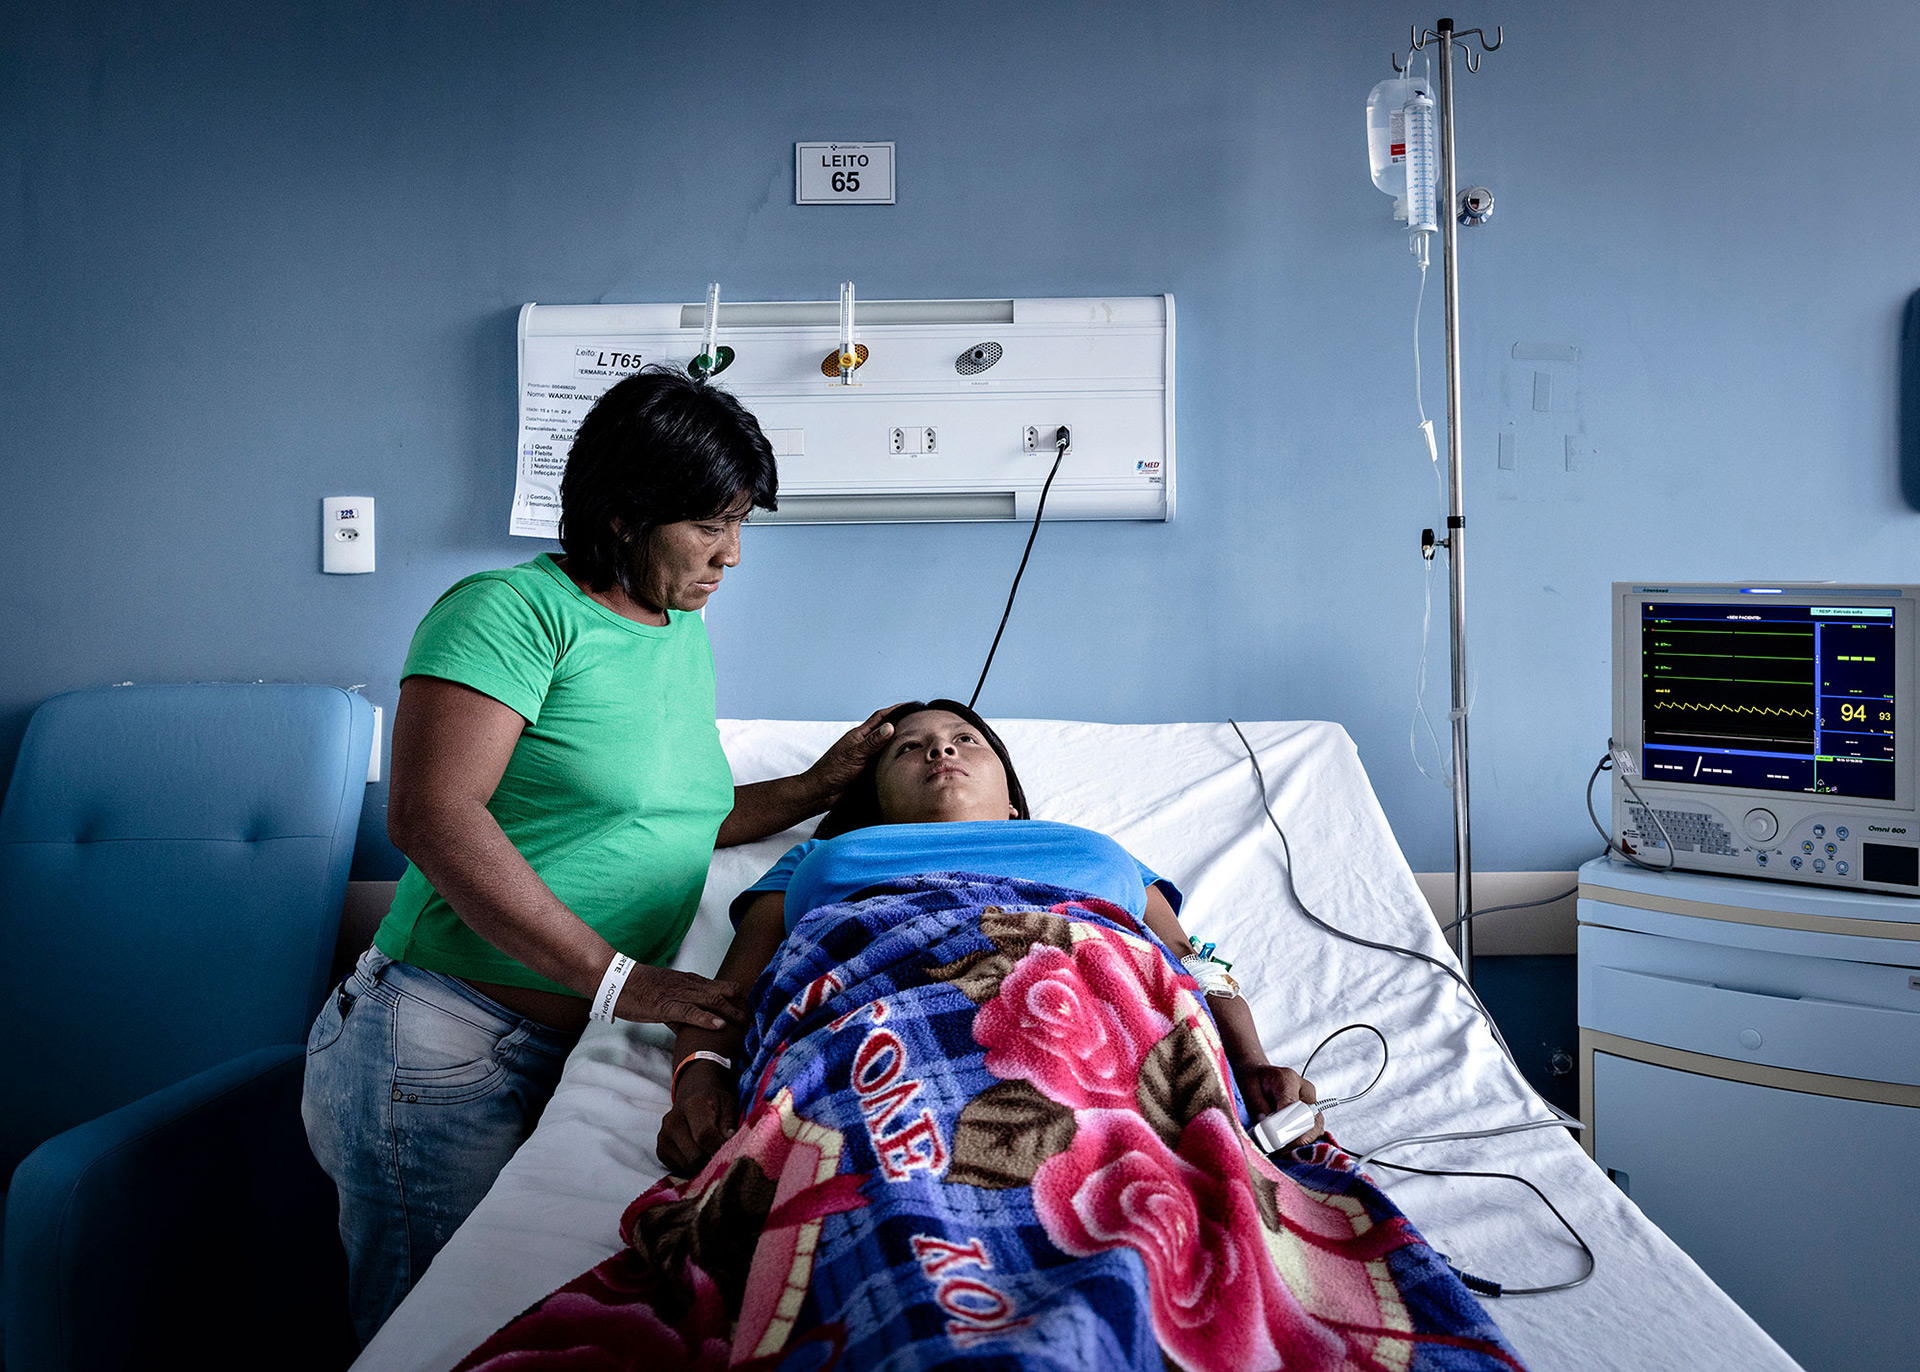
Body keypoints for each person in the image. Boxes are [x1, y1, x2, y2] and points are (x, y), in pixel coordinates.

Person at [301, 366, 897, 1344]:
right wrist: (628, 983)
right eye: (710, 526)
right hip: (438, 1041)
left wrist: (818, 787)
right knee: (433, 1342)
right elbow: (432, 816)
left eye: (742, 525)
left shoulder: (678, 631)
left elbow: (664, 817)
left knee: (517, 1338)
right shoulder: (511, 611)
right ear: (624, 515)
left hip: (559, 1046)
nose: (732, 556)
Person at [657, 698, 1321, 1175]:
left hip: (1101, 1031)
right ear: (877, 797)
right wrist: (699, 1084)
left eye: (965, 738)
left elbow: (1190, 964)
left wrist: (1252, 1062)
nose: (941, 749)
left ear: (1011, 796)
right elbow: (732, 991)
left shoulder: (1088, 849)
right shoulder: (823, 855)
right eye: (907, 747)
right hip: (879, 1044)